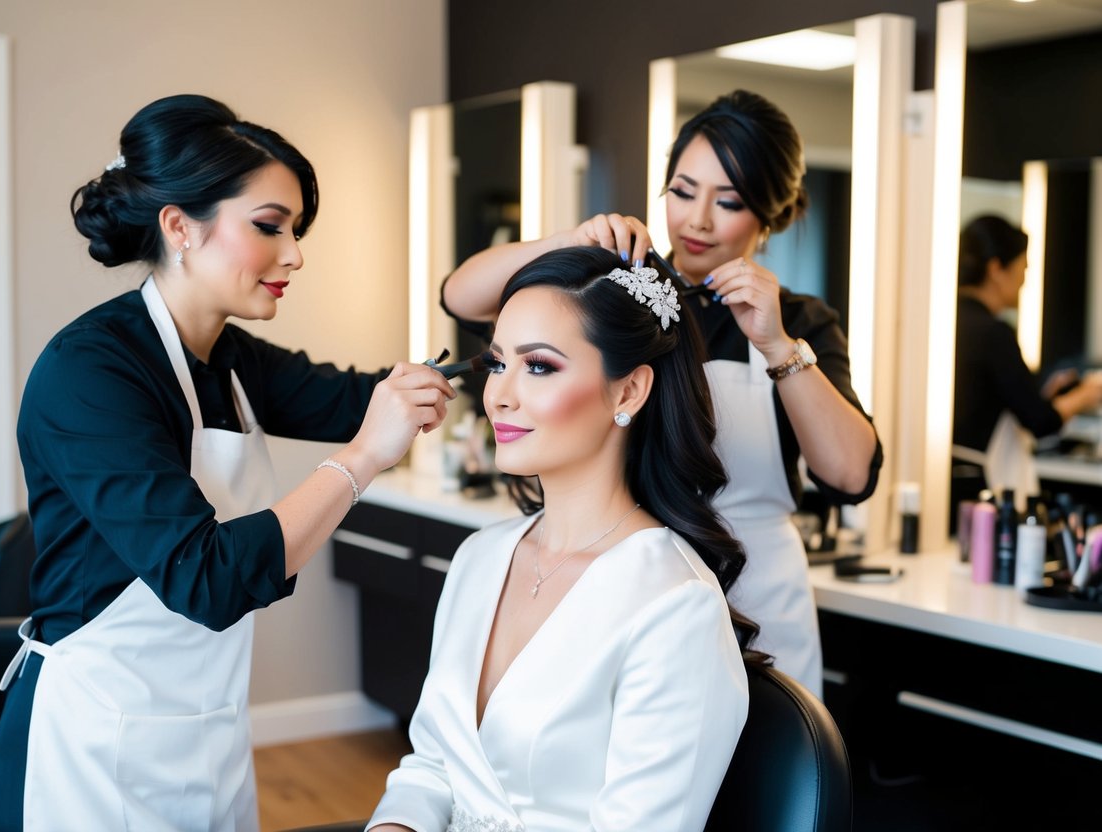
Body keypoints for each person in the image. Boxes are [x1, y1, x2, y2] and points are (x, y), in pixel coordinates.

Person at [0, 94, 455, 831]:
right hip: (87, 749)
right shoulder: (90, 372)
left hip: (204, 729)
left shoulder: (232, 361)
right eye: (269, 226)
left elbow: (370, 396)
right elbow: (205, 578)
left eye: (296, 230)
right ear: (180, 227)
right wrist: (363, 460)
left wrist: (520, 318)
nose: (294, 253)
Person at [441, 90, 881, 697]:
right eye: (682, 190)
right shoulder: (632, 300)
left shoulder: (799, 322)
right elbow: (461, 296)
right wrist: (566, 242)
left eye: (728, 201)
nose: (698, 220)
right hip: (635, 576)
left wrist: (778, 345)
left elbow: (851, 474)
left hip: (758, 590)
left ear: (771, 214)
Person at [368, 247, 756, 831]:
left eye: (540, 366)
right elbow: (432, 767)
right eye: (498, 364)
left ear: (628, 392)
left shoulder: (675, 606)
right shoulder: (481, 559)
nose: (500, 394)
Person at [952, 214, 1102, 512]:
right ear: (996, 269)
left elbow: (1000, 404)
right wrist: (1086, 396)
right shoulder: (994, 334)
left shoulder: (948, 322)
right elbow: (1040, 421)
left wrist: (1046, 397)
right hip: (982, 491)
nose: (1025, 280)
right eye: (1022, 268)